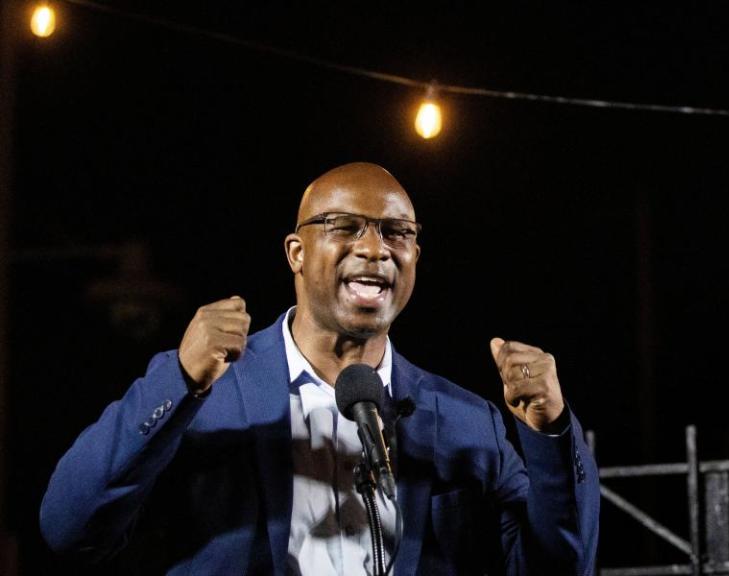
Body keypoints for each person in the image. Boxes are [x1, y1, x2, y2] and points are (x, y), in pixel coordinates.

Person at [40, 162, 599, 575]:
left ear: (414, 260)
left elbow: (560, 568)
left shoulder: (463, 420)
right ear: (297, 254)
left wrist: (550, 432)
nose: (375, 248)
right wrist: (181, 381)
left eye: (395, 232)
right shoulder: (210, 392)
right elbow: (70, 529)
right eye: (346, 227)